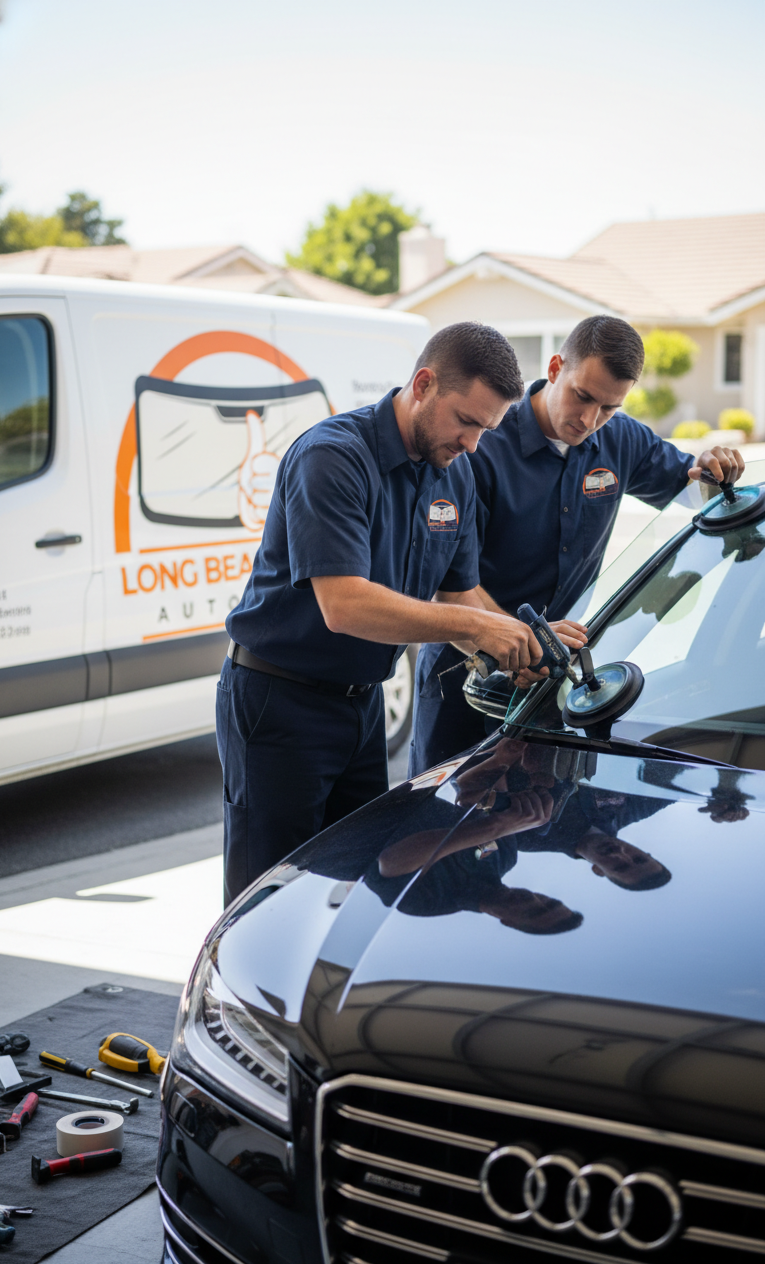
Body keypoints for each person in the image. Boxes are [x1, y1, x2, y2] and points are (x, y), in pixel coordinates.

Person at [219, 323, 562, 906]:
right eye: (466, 421)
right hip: (280, 704)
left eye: (486, 429)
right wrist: (480, 628)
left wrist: (524, 640)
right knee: (268, 899)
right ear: (423, 385)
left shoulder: (454, 472)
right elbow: (344, 604)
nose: (473, 444)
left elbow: (461, 597)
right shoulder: (333, 456)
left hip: (363, 705)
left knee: (351, 890)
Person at [410, 315, 747, 777]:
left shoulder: (620, 439)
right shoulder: (479, 444)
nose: (589, 420)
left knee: (538, 813)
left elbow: (696, 490)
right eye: (582, 396)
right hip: (467, 676)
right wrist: (516, 642)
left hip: (552, 685)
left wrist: (714, 467)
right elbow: (448, 581)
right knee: (444, 813)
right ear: (555, 368)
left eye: (608, 407)